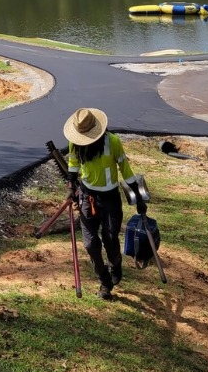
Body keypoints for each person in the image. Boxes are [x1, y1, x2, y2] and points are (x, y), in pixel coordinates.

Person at [63, 107, 147, 300]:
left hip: (110, 199)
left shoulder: (113, 142)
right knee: (91, 244)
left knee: (110, 240)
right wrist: (70, 187)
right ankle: (104, 281)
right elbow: (73, 166)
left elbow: (126, 170)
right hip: (87, 197)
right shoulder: (74, 143)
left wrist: (139, 198)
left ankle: (115, 266)